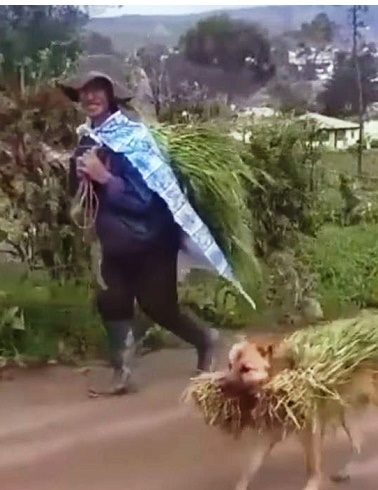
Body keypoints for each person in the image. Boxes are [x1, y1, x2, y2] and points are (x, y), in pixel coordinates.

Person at [59, 57, 250, 397]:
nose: (90, 98)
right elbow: (82, 197)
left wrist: (105, 178)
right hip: (115, 242)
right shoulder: (87, 140)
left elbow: (147, 198)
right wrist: (79, 178)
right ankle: (123, 372)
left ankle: (205, 339)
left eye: (97, 92)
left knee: (158, 306)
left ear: (110, 97)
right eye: (84, 93)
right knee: (111, 300)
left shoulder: (136, 139)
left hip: (151, 241)